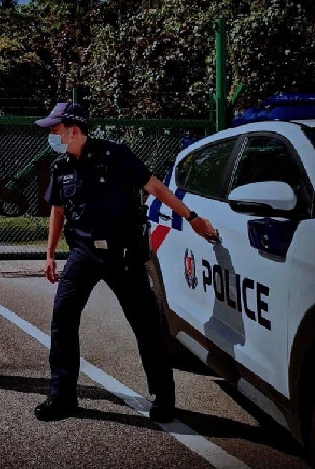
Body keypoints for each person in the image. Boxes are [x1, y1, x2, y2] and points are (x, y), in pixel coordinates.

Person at [33, 102, 220, 422]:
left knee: (146, 322)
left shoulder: (116, 155)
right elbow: (58, 211)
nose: (51, 135)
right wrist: (50, 254)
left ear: (73, 130)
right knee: (63, 317)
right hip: (83, 253)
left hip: (124, 253)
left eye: (55, 129)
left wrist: (192, 218)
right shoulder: (61, 167)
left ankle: (164, 396)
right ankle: (62, 395)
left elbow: (155, 187)